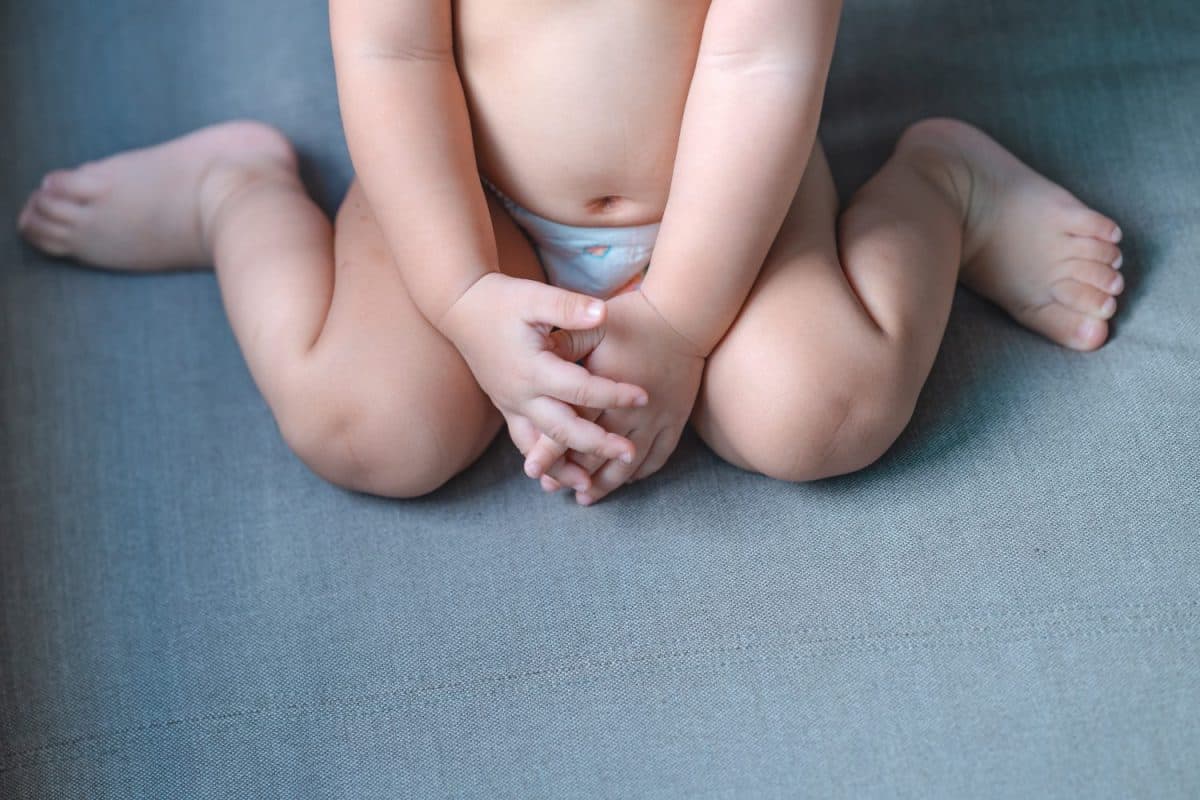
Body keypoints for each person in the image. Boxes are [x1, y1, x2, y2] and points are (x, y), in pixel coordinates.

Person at [16, 0, 1124, 505]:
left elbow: (762, 72)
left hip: (727, 193)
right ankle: (238, 196)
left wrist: (685, 314)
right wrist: (459, 296)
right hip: (467, 192)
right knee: (368, 427)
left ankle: (943, 190)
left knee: (817, 412)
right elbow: (397, 54)